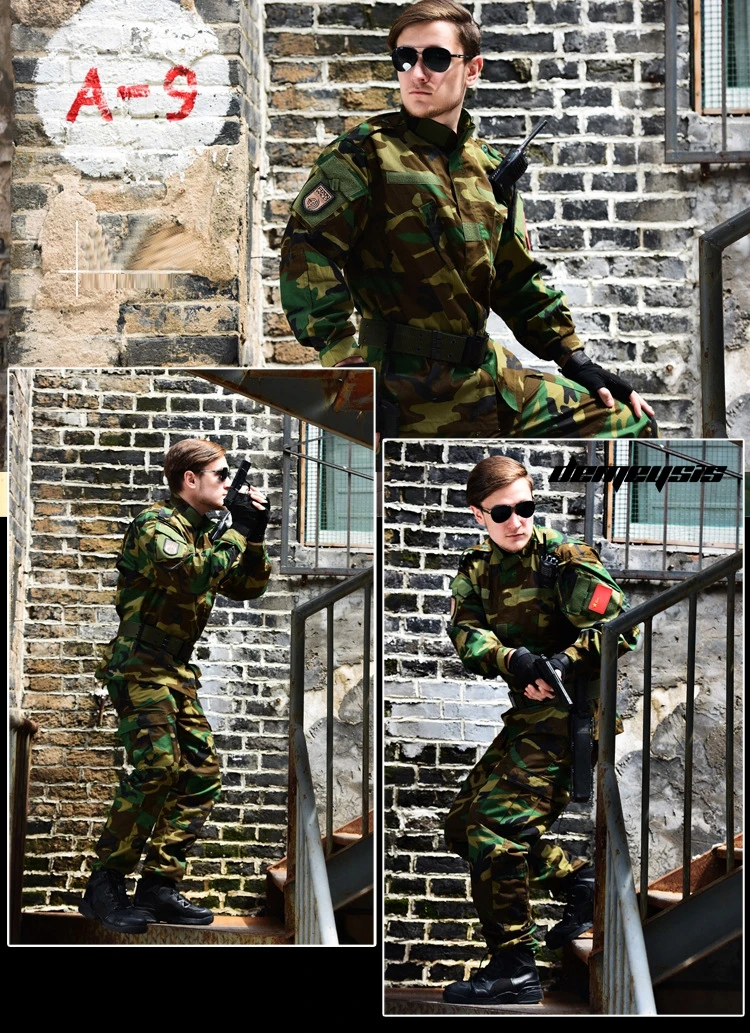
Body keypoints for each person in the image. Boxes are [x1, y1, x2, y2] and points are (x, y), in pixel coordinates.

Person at [279, 0, 657, 440]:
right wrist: (349, 372)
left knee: (630, 423)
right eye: (405, 58)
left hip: (489, 378)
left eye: (436, 58)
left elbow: (517, 281)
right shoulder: (363, 155)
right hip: (400, 387)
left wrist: (575, 358)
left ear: (472, 69)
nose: (417, 73)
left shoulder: (489, 168)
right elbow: (307, 253)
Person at [443, 455, 639, 1004]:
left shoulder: (563, 559)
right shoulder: (476, 568)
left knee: (494, 831)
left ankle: (514, 966)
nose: (517, 521)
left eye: (526, 507)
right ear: (478, 515)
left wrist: (558, 665)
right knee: (461, 827)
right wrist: (514, 661)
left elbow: (618, 627)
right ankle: (576, 881)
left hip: (572, 718)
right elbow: (466, 635)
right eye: (502, 512)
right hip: (528, 717)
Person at [79, 438, 271, 934]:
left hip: (175, 671)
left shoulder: (208, 533)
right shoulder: (156, 525)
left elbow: (247, 587)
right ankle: (104, 885)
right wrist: (235, 533)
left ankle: (158, 886)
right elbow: (190, 577)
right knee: (157, 767)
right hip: (140, 665)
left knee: (201, 773)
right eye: (220, 475)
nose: (228, 484)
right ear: (190, 479)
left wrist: (253, 538)